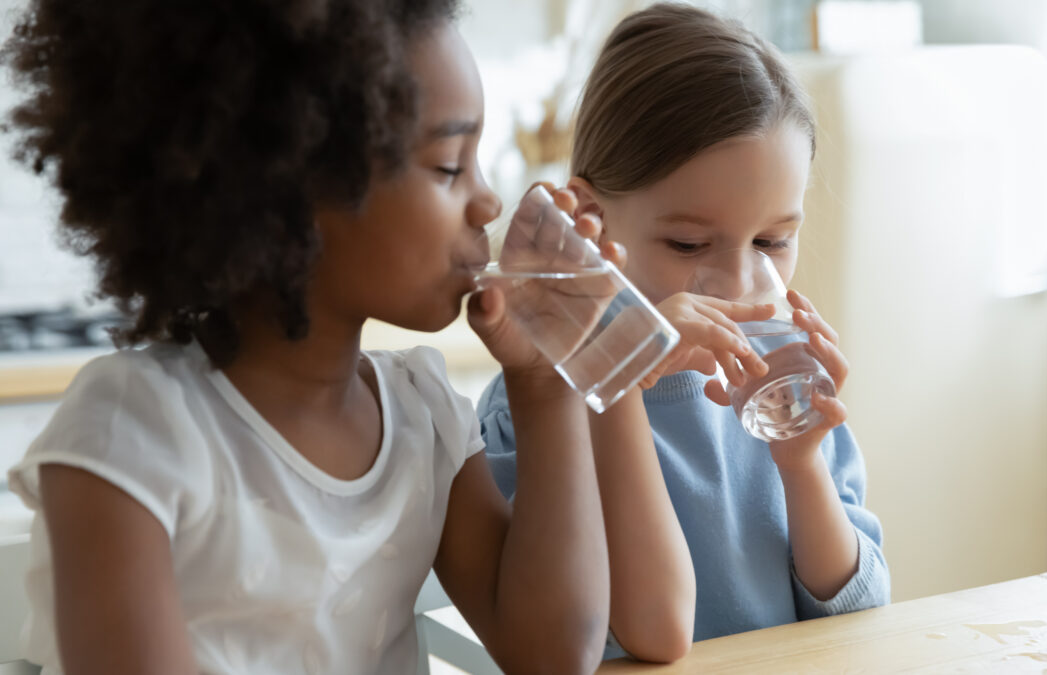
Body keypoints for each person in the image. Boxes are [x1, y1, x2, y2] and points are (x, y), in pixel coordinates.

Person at [3, 1, 615, 672]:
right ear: (288, 190)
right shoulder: (135, 434)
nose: (489, 201)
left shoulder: (424, 416)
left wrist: (544, 378)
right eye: (448, 166)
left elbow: (557, 652)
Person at [479, 2, 890, 662]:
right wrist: (616, 364)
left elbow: (858, 613)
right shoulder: (538, 403)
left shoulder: (778, 384)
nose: (737, 281)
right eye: (689, 242)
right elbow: (637, 632)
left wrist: (803, 464)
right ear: (591, 219)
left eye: (772, 240)